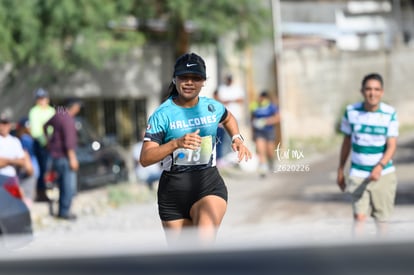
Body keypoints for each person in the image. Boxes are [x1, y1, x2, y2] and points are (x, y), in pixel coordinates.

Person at [140, 52, 252, 246]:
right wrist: (176, 143)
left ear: (203, 82)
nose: (189, 82)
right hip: (173, 194)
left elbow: (228, 117)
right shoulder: (162, 115)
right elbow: (145, 158)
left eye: (196, 78)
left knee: (202, 247)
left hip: (207, 186)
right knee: (183, 262)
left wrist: (237, 138)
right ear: (175, 79)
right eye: (184, 77)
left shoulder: (212, 107)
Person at [337, 73, 398, 238]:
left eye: (377, 89)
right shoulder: (351, 112)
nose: (373, 93)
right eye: (369, 89)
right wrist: (340, 169)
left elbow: (392, 145)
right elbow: (346, 142)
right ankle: (356, 259)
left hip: (383, 174)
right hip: (358, 173)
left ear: (382, 92)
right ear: (362, 91)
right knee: (359, 218)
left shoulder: (389, 113)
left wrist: (380, 166)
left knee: (382, 220)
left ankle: (382, 258)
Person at [43, 98, 82, 221]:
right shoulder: (68, 120)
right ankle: (64, 212)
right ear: (74, 107)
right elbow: (69, 143)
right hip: (65, 157)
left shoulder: (59, 115)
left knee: (61, 184)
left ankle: (62, 210)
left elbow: (45, 126)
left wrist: (48, 141)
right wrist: (73, 159)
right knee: (68, 186)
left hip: (55, 156)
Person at [28, 88, 56, 202]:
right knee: (42, 169)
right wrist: (46, 142)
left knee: (52, 169)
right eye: (40, 98)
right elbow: (36, 131)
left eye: (44, 98)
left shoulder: (51, 110)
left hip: (52, 143)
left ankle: (51, 190)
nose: (42, 101)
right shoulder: (34, 111)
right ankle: (41, 192)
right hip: (41, 144)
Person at [215, 74, 246, 166]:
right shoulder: (222, 88)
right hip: (223, 117)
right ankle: (224, 158)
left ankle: (234, 158)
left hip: (235, 117)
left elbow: (241, 100)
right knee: (223, 139)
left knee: (235, 138)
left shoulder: (237, 88)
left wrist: (229, 101)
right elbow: (218, 100)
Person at [249, 91, 280, 177]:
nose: (261, 100)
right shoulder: (255, 106)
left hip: (269, 131)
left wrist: (266, 121)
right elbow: (252, 119)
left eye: (263, 98)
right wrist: (253, 129)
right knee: (260, 150)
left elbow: (278, 118)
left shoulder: (271, 107)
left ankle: (271, 162)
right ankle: (263, 168)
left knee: (270, 151)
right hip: (259, 132)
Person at [15, 117, 40, 208]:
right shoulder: (25, 139)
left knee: (27, 195)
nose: (30, 128)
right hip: (29, 169)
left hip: (30, 169)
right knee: (27, 197)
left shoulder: (26, 139)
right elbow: (25, 154)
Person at [0, 111, 27, 192]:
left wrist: (6, 160)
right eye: (1, 123)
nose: (3, 126)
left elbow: (22, 162)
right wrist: (14, 161)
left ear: (9, 125)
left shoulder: (15, 141)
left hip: (11, 178)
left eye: (5, 124)